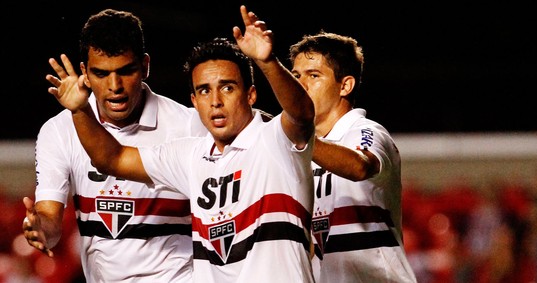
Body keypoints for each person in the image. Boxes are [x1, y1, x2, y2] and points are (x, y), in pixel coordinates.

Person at [43, 5, 316, 283]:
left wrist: (267, 62)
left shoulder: (274, 142)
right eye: (204, 91)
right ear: (194, 102)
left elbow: (302, 115)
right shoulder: (190, 156)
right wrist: (80, 110)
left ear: (251, 95)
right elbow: (110, 158)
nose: (216, 101)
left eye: (227, 87)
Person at [22, 8, 207, 282]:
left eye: (126, 71)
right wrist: (39, 229)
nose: (114, 85)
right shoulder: (59, 130)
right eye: (101, 73)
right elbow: (50, 220)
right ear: (84, 72)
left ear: (145, 66)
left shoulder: (190, 126)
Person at [289, 31, 417, 282]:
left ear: (345, 85)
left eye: (313, 75)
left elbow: (359, 166)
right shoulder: (294, 151)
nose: (300, 85)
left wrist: (297, 138)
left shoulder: (365, 131)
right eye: (295, 77)